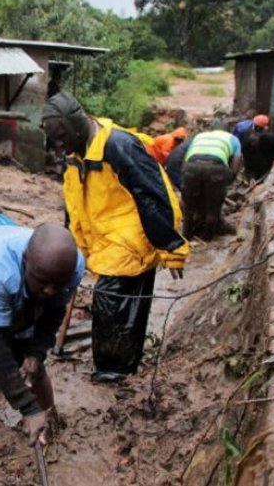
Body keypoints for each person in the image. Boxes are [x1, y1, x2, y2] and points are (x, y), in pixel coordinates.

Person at [41, 93, 189, 383]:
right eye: (53, 139)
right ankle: (120, 364)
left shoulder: (119, 146)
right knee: (123, 309)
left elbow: (154, 196)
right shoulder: (74, 155)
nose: (59, 146)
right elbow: (72, 203)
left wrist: (170, 247)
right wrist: (75, 246)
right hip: (104, 240)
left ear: (77, 124)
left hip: (133, 238)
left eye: (61, 137)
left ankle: (114, 372)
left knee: (110, 300)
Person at [0, 218, 85, 446]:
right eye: (44, 282)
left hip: (20, 286)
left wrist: (36, 353)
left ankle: (48, 424)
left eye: (58, 284)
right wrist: (28, 408)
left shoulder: (70, 268)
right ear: (25, 262)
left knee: (34, 369)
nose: (51, 290)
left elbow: (53, 314)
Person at [181, 130, 243, 240]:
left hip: (191, 166)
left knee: (189, 208)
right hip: (216, 168)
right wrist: (227, 181)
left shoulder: (199, 136)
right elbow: (236, 164)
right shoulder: (234, 140)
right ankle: (207, 238)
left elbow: (186, 160)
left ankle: (186, 236)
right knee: (213, 208)